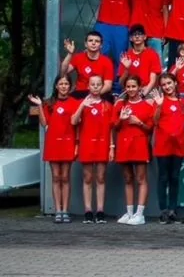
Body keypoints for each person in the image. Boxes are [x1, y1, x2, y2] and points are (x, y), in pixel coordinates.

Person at [28, 76, 76, 222]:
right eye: (61, 84)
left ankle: (65, 210)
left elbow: (77, 123)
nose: (64, 86)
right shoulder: (49, 103)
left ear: (70, 86)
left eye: (66, 84)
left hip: (68, 142)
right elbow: (44, 123)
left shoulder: (75, 103)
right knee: (56, 177)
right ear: (56, 86)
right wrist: (40, 105)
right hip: (53, 143)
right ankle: (58, 211)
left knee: (65, 177)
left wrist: (77, 144)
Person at [112, 73, 154, 225]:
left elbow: (150, 128)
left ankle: (140, 214)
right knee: (128, 178)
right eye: (128, 87)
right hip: (124, 145)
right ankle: (129, 213)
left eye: (133, 86)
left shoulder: (147, 106)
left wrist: (139, 123)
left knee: (141, 178)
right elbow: (114, 126)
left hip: (140, 145)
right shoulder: (119, 105)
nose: (131, 89)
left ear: (139, 87)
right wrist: (121, 119)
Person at [72, 74, 113, 223]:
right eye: (93, 84)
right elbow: (73, 121)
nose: (95, 87)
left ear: (102, 86)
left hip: (102, 143)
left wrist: (112, 147)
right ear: (88, 86)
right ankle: (88, 210)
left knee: (101, 177)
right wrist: (82, 105)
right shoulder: (81, 103)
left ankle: (100, 210)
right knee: (87, 177)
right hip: (86, 143)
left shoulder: (107, 105)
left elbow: (111, 128)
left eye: (98, 84)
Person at [152, 73, 184, 224]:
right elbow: (155, 121)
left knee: (174, 178)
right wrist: (159, 105)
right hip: (163, 145)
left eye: (169, 83)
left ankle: (173, 210)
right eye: (164, 85)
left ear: (175, 83)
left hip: (178, 145)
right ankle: (163, 211)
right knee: (163, 178)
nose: (167, 87)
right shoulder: (159, 101)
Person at [60, 32, 114, 98]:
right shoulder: (78, 57)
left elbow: (108, 86)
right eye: (90, 40)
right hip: (80, 93)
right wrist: (70, 54)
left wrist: (94, 96)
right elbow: (63, 72)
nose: (93, 43)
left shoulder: (107, 61)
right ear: (85, 44)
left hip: (99, 93)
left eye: (97, 41)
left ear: (101, 45)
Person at [118, 25, 162, 97]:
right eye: (134, 34)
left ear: (145, 37)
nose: (137, 36)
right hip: (130, 90)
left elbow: (153, 81)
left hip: (147, 90)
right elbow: (121, 83)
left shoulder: (152, 54)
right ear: (130, 38)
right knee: (118, 102)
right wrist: (126, 69)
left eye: (140, 34)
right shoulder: (126, 56)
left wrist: (143, 95)